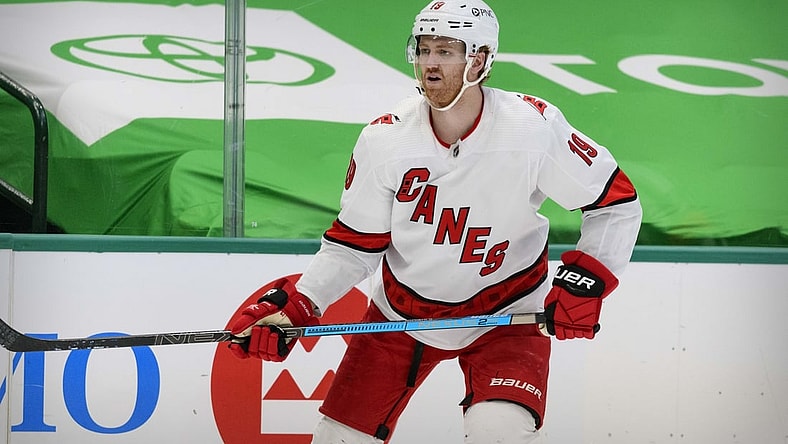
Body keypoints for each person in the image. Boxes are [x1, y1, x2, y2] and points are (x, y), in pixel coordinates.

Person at [229, 0, 642, 442]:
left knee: (498, 430)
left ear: (479, 59)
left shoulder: (533, 128)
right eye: (424, 49)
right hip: (400, 315)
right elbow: (354, 245)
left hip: (507, 314)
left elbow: (614, 203)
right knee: (338, 439)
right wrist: (299, 304)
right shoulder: (385, 139)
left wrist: (586, 281)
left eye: (445, 51)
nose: (430, 64)